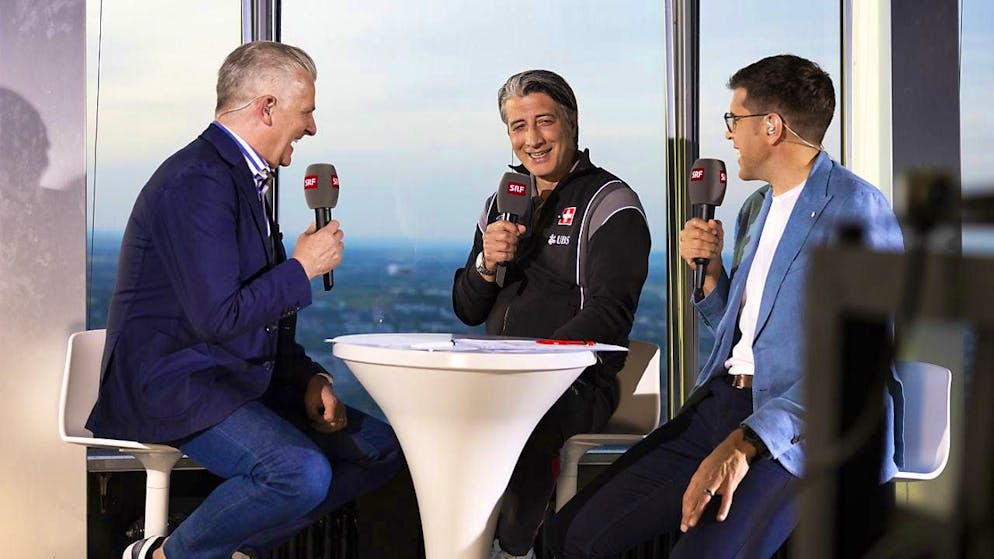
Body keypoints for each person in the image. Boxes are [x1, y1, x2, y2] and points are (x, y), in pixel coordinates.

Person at [548, 54, 905, 558]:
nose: (729, 134)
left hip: (799, 428)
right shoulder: (757, 209)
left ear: (772, 127)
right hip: (724, 404)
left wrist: (745, 444)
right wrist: (712, 274)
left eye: (734, 120)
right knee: (574, 536)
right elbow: (741, 337)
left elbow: (856, 369)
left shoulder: (858, 209)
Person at [86, 41, 403, 559]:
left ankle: (229, 549)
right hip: (178, 382)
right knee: (297, 472)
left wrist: (310, 378)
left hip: (232, 375)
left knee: (380, 449)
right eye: (308, 112)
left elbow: (259, 315)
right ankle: (167, 556)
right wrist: (302, 268)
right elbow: (221, 316)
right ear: (268, 107)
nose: (313, 128)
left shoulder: (241, 179)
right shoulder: (199, 180)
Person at [452, 69, 651, 559]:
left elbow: (611, 312)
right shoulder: (500, 204)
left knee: (524, 417)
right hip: (500, 374)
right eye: (518, 127)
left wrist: (536, 364)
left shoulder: (612, 203)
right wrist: (486, 263)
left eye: (544, 122)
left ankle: (514, 549)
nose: (532, 139)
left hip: (576, 383)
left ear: (572, 121)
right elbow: (466, 307)